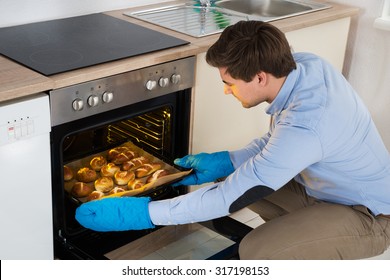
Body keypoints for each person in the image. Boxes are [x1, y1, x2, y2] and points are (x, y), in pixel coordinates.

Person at [75, 21, 390, 259]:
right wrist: (226, 160)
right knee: (234, 175)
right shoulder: (304, 66)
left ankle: (309, 246)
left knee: (257, 249)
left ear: (259, 77)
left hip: (369, 215)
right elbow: (276, 143)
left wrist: (141, 214)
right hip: (323, 191)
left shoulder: (309, 123)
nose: (226, 90)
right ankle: (305, 236)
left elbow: (227, 198)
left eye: (229, 82)